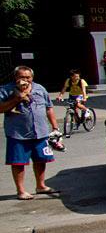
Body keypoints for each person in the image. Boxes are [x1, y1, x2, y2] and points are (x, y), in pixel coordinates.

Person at [0, 66, 61, 200]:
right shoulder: (6, 89)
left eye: (28, 77)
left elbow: (49, 108)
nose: (25, 80)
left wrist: (55, 127)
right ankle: (21, 191)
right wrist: (17, 99)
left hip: (40, 132)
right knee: (18, 163)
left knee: (41, 160)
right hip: (18, 134)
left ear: (32, 78)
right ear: (16, 77)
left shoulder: (40, 89)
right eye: (22, 77)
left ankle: (41, 186)